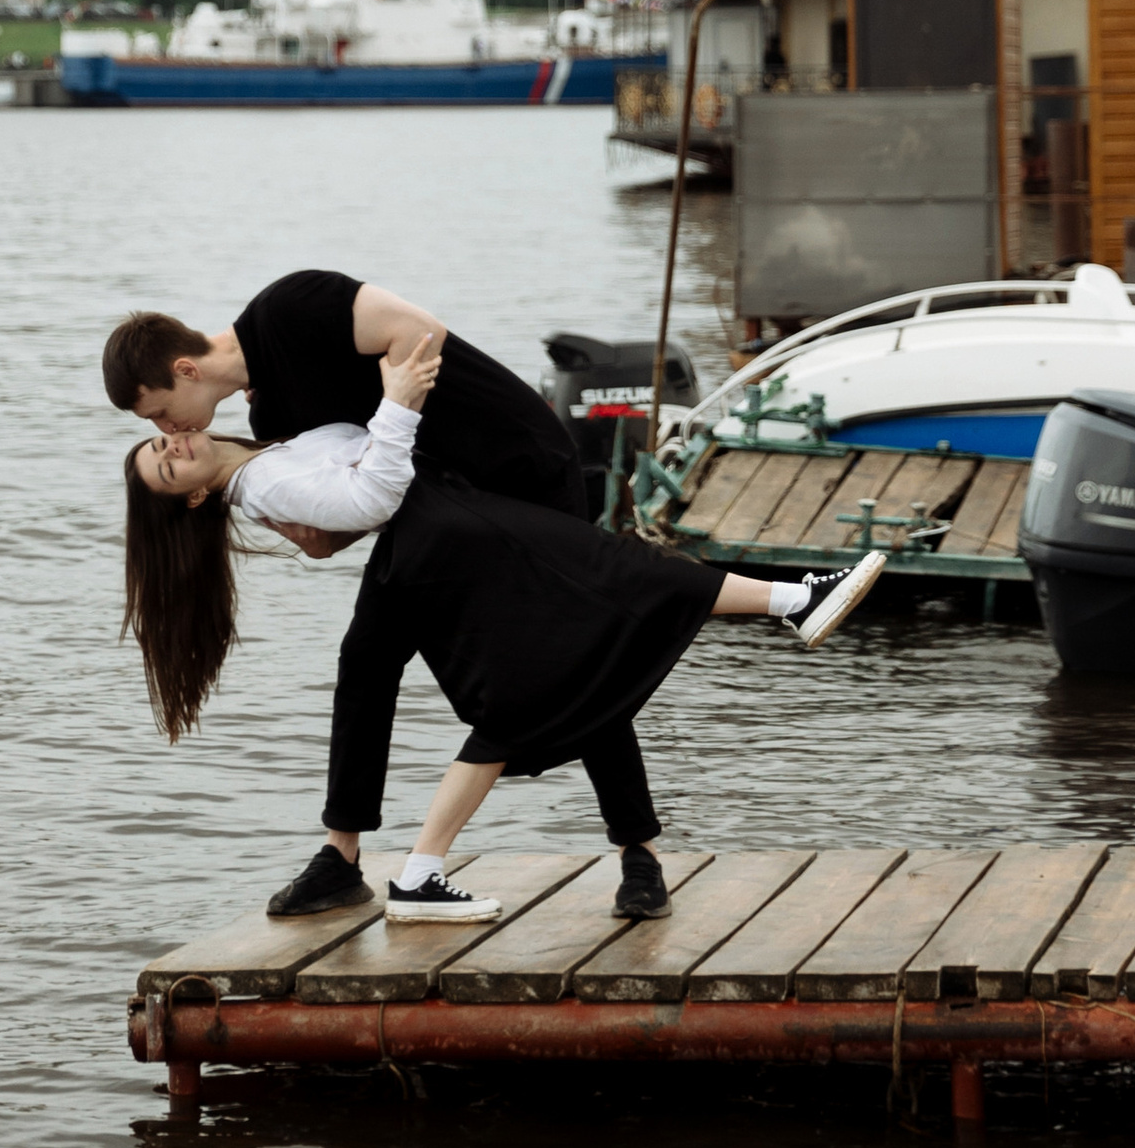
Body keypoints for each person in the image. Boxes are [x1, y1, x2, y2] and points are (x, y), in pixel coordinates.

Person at [120, 328, 880, 919]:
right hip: (444, 536)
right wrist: (400, 398)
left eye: (161, 432)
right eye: (165, 456)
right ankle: (793, 602)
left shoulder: (266, 440)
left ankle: (412, 863)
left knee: (562, 659)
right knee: (603, 599)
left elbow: (339, 515)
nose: (171, 438)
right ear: (188, 500)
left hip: (435, 535)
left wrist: (322, 520)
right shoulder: (260, 475)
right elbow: (371, 495)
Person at [104, 270, 663, 924]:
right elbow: (358, 491)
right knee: (366, 657)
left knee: (575, 656)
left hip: (518, 469)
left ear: (183, 369)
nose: (166, 427)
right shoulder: (270, 416)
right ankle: (341, 857)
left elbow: (419, 332)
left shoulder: (295, 307)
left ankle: (638, 854)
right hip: (436, 512)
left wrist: (396, 407)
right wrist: (321, 541)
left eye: (158, 411)